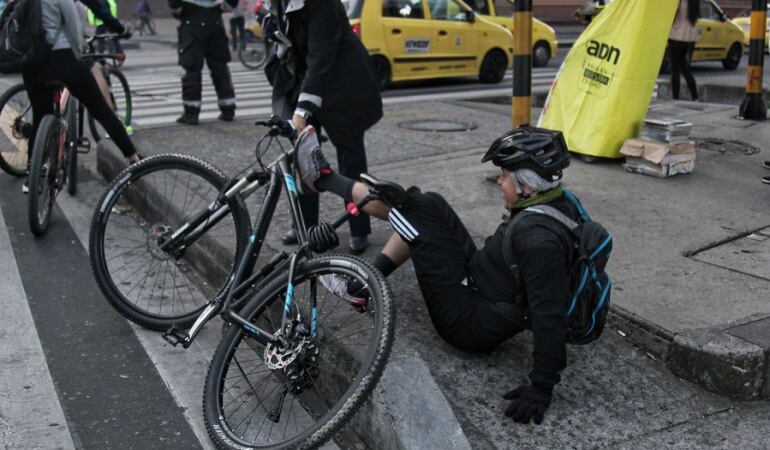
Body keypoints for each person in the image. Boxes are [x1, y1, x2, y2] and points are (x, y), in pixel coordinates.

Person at [295, 125, 580, 425]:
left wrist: (541, 387)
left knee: (415, 214)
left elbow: (550, 315)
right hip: (479, 282)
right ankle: (327, 188)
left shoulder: (538, 242)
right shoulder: (555, 201)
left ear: (527, 185)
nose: (498, 180)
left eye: (505, 175)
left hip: (466, 321)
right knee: (429, 204)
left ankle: (324, 179)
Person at [264, 0, 382, 255]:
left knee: (351, 157)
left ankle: (359, 227)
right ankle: (306, 227)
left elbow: (322, 54)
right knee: (303, 156)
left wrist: (303, 109)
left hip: (342, 82)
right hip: (306, 80)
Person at [22, 0, 140, 192]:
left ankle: (31, 177)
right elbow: (73, 27)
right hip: (62, 60)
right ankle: (133, 156)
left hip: (32, 65)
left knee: (39, 116)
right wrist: (80, 54)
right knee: (100, 109)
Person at [169, 0, 238, 125]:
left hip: (192, 24)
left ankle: (191, 113)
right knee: (220, 68)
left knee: (192, 70)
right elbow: (231, 4)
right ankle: (228, 110)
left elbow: (175, 7)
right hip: (215, 23)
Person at [668, 0, 700, 101]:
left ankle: (675, 97)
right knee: (685, 68)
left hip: (676, 35)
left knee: (675, 69)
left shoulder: (677, 2)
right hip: (690, 36)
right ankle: (695, 96)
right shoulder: (694, 2)